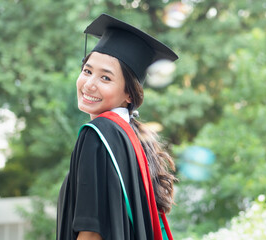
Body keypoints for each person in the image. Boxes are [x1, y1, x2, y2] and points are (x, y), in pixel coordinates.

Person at [56, 13, 178, 240]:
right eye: (87, 71)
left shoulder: (98, 133)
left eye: (106, 78)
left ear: (129, 94)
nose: (89, 84)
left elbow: (91, 232)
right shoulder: (129, 136)